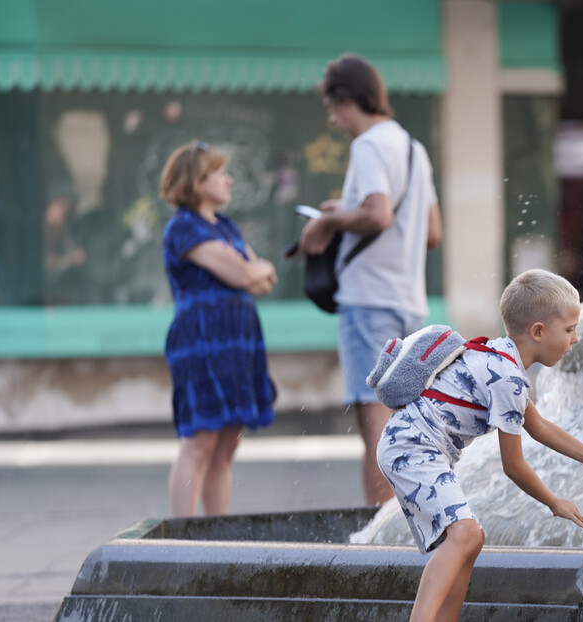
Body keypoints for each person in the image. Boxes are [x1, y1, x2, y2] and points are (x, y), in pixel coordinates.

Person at [377, 269, 583, 622]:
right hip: (412, 447)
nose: (575, 339)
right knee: (465, 533)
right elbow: (513, 466)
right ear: (539, 332)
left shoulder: (499, 357)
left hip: (411, 445)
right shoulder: (509, 378)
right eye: (570, 329)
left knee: (472, 538)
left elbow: (539, 425)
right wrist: (554, 502)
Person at [300, 53, 443, 506]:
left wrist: (329, 223)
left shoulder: (367, 146)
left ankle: (381, 537)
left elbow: (378, 214)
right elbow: (433, 232)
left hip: (368, 301)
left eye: (331, 107)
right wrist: (348, 214)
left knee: (375, 426)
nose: (332, 118)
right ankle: (418, 523)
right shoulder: (413, 149)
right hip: (409, 302)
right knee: (406, 425)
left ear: (348, 99)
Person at [159, 140, 278, 517]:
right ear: (197, 180)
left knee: (227, 446)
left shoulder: (224, 227)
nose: (229, 180)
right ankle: (183, 542)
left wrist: (249, 271)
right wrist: (248, 270)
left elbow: (264, 279)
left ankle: (216, 536)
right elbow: (245, 273)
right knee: (200, 442)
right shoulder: (183, 227)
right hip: (201, 343)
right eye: (220, 173)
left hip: (237, 344)